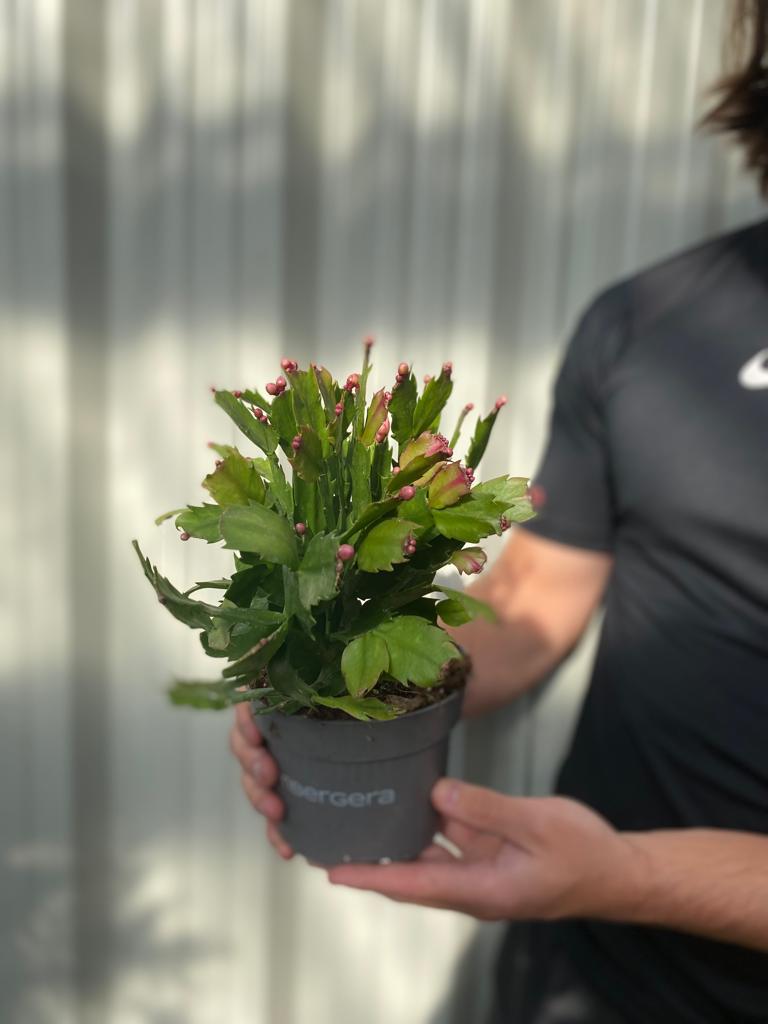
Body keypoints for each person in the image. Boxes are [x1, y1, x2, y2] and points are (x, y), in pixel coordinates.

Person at [228, 2, 768, 1020]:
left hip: (614, 895)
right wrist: (316, 667)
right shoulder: (648, 323)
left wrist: (629, 873)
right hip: (588, 973)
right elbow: (528, 605)